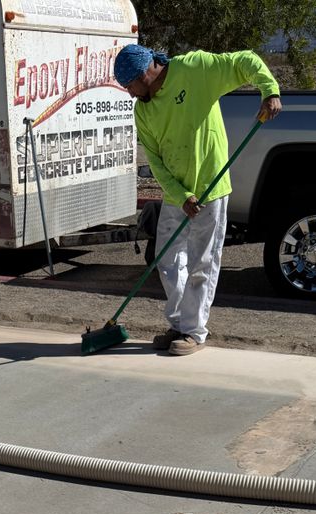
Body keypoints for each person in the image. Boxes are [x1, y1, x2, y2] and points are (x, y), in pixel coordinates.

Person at [114, 43, 281, 355]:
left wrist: (269, 90)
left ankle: (194, 332)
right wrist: (181, 195)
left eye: (130, 85)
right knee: (166, 258)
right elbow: (157, 163)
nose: (130, 93)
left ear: (147, 72)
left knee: (202, 261)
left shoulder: (195, 69)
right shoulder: (143, 111)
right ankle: (178, 322)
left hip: (210, 188)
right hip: (177, 193)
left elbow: (244, 60)